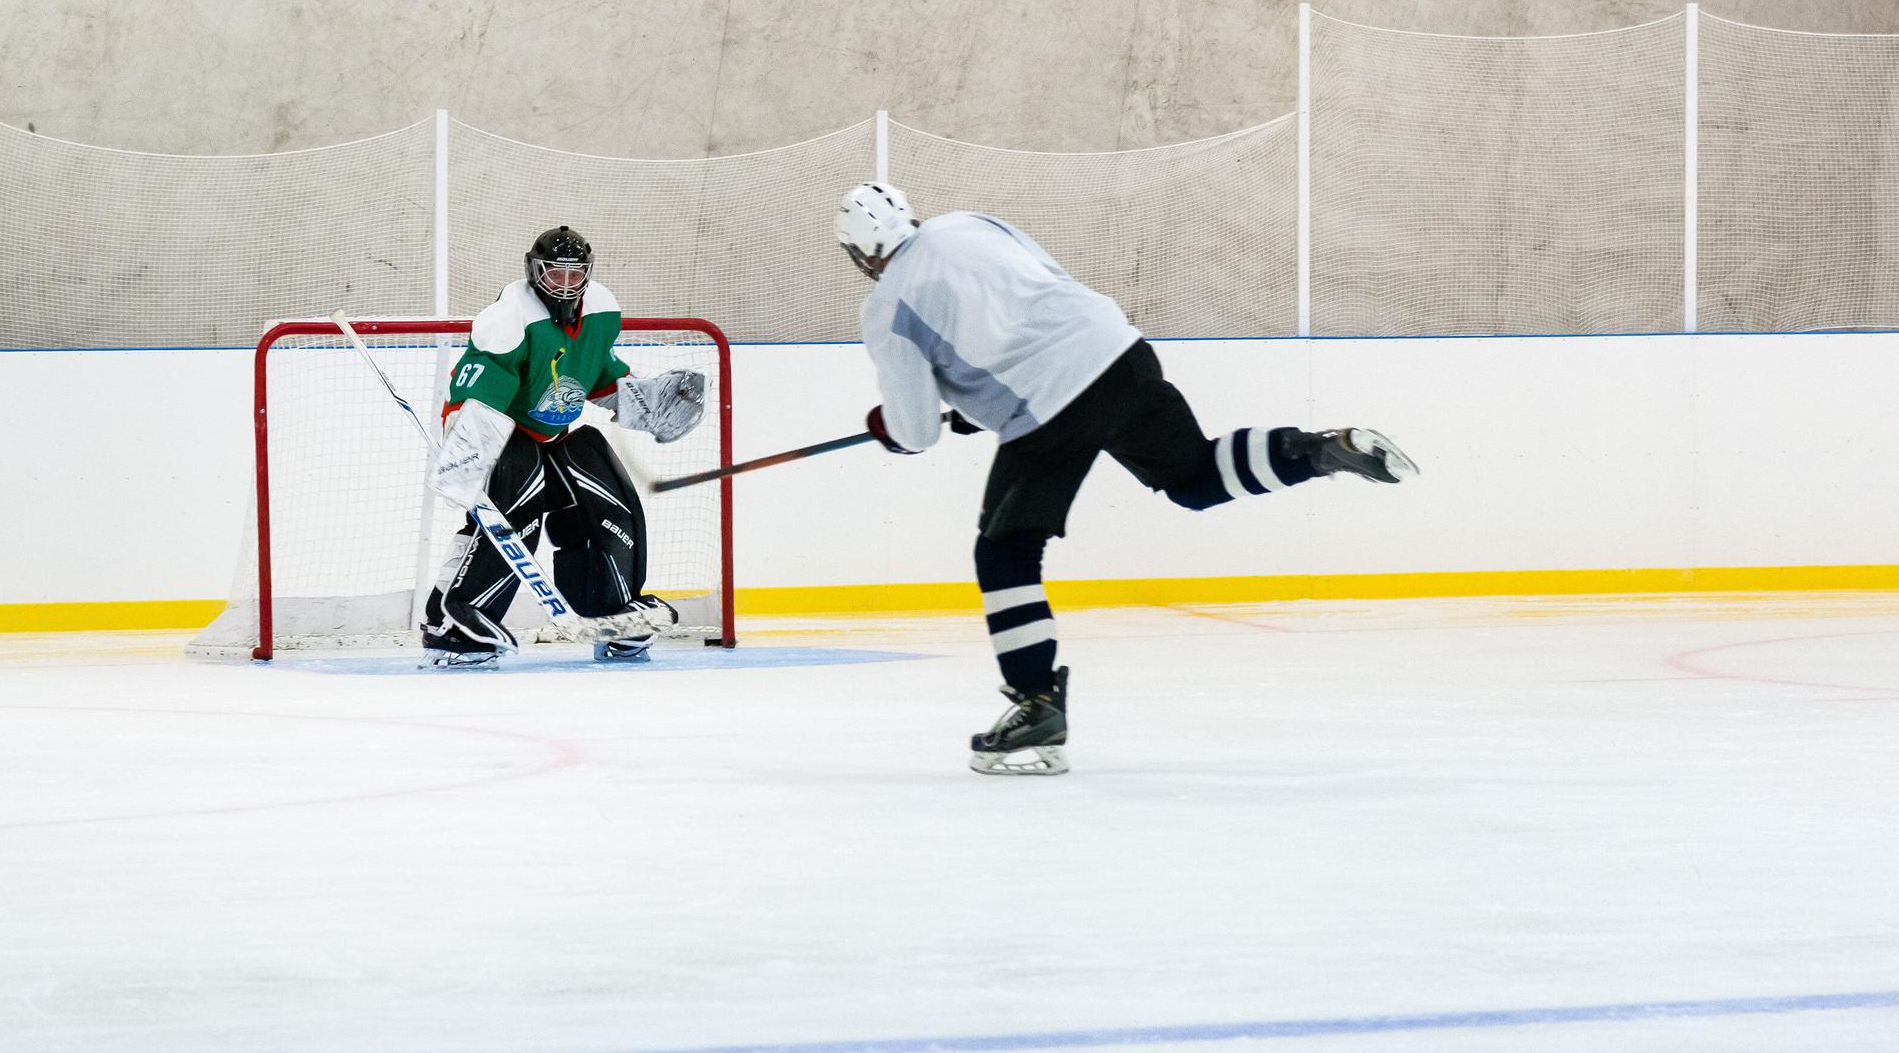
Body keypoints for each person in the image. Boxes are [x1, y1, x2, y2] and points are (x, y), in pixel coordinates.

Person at [838, 182, 1417, 775]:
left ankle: (1036, 702)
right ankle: (1315, 453)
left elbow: (915, 431)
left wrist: (891, 427)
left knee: (1005, 553)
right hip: (1117, 350)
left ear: (860, 253)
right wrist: (976, 401)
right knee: (1194, 475)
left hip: (1050, 405)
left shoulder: (887, 310)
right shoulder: (968, 223)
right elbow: (1038, 293)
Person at [422, 225, 705, 667]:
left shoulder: (601, 311)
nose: (567, 285)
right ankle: (453, 625)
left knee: (611, 499)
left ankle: (612, 613)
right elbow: (476, 396)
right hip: (504, 433)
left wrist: (645, 403)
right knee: (518, 507)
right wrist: (466, 452)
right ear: (535, 272)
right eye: (556, 274)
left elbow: (597, 374)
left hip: (557, 436)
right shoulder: (509, 317)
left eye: (576, 275)